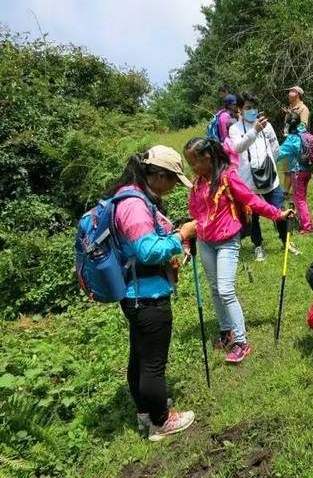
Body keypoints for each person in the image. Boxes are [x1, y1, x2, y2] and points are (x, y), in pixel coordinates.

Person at [105, 145, 197, 442]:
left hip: (135, 292)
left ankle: (146, 413)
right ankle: (161, 422)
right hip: (146, 295)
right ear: (157, 175)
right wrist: (181, 236)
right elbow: (148, 250)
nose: (173, 188)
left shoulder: (131, 198)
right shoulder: (134, 205)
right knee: (153, 363)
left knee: (141, 357)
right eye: (172, 180)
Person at [184, 138, 295, 363]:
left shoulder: (227, 178)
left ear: (207, 158)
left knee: (225, 290)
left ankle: (241, 342)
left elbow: (251, 200)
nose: (191, 168)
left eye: (193, 162)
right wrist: (188, 240)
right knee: (215, 289)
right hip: (205, 241)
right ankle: (227, 332)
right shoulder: (197, 183)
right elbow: (194, 213)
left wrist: (277, 214)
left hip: (227, 240)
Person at [228, 91, 301, 261]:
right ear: (240, 109)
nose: (252, 111)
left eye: (254, 108)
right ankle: (258, 245)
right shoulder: (235, 129)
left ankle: (286, 241)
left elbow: (275, 147)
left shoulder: (266, 126)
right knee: (253, 216)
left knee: (280, 211)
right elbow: (238, 148)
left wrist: (270, 165)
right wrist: (254, 131)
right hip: (248, 182)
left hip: (270, 178)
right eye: (248, 108)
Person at [277, 112, 313, 234]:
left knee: (299, 199)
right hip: (308, 169)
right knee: (302, 197)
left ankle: (307, 227)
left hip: (298, 171)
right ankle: (304, 220)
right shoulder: (304, 132)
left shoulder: (292, 138)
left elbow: (280, 153)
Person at [281, 86, 311, 198]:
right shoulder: (290, 108)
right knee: (287, 168)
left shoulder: (303, 109)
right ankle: (285, 192)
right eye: (289, 91)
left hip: (297, 142)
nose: (289, 93)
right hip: (288, 140)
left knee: (294, 169)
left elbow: (303, 126)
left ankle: (295, 194)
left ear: (298, 94)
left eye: (292, 91)